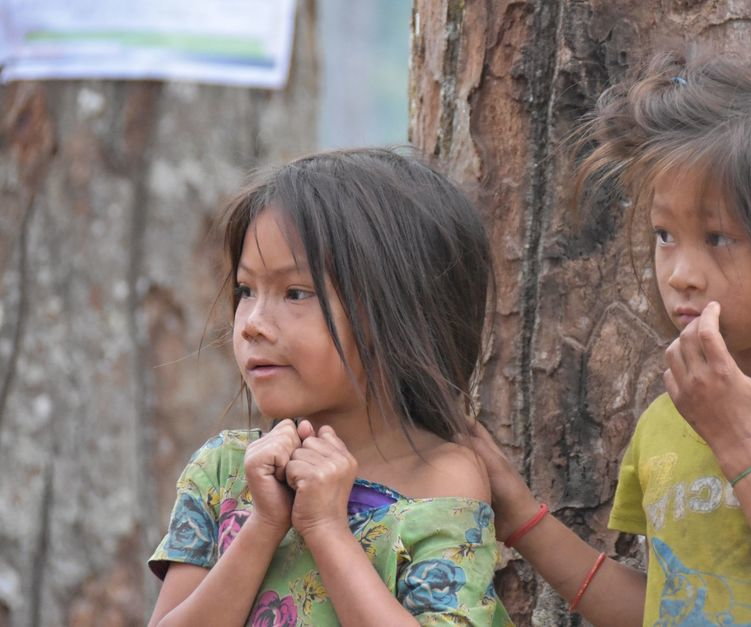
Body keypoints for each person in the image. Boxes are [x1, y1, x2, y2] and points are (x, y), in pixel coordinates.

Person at [467, 50, 751, 626]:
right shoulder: (669, 422)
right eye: (665, 235)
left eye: (718, 238)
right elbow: (664, 609)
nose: (680, 273)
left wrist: (738, 441)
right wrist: (520, 515)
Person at [147, 149, 512, 626]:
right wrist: (263, 525)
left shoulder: (439, 479)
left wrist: (325, 527)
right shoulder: (227, 471)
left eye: (295, 293)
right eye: (245, 291)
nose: (253, 324)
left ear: (400, 312)